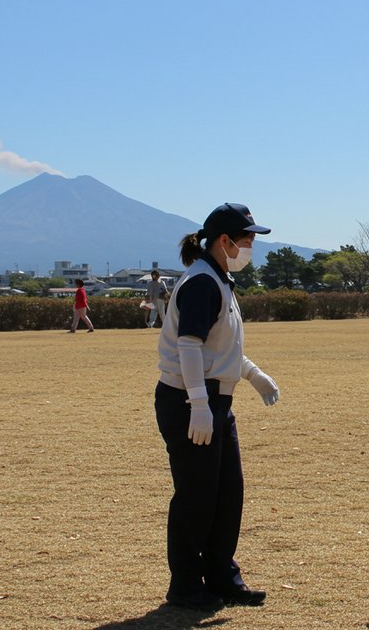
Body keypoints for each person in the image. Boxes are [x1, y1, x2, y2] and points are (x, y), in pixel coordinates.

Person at [154, 203, 281, 610]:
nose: (249, 248)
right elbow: (189, 346)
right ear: (224, 241)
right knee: (196, 495)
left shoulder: (219, 280)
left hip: (214, 400)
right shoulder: (201, 283)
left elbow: (219, 349)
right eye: (246, 241)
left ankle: (222, 578)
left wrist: (253, 374)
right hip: (189, 400)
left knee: (227, 493)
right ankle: (186, 586)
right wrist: (199, 404)